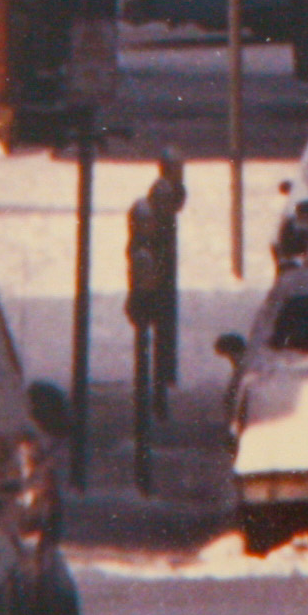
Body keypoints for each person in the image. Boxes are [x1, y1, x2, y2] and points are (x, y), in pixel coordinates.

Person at [126, 150, 186, 418]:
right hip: (152, 290)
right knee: (151, 346)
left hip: (157, 285)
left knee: (154, 346)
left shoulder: (165, 197)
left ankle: (156, 396)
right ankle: (154, 399)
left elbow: (178, 202)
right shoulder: (158, 203)